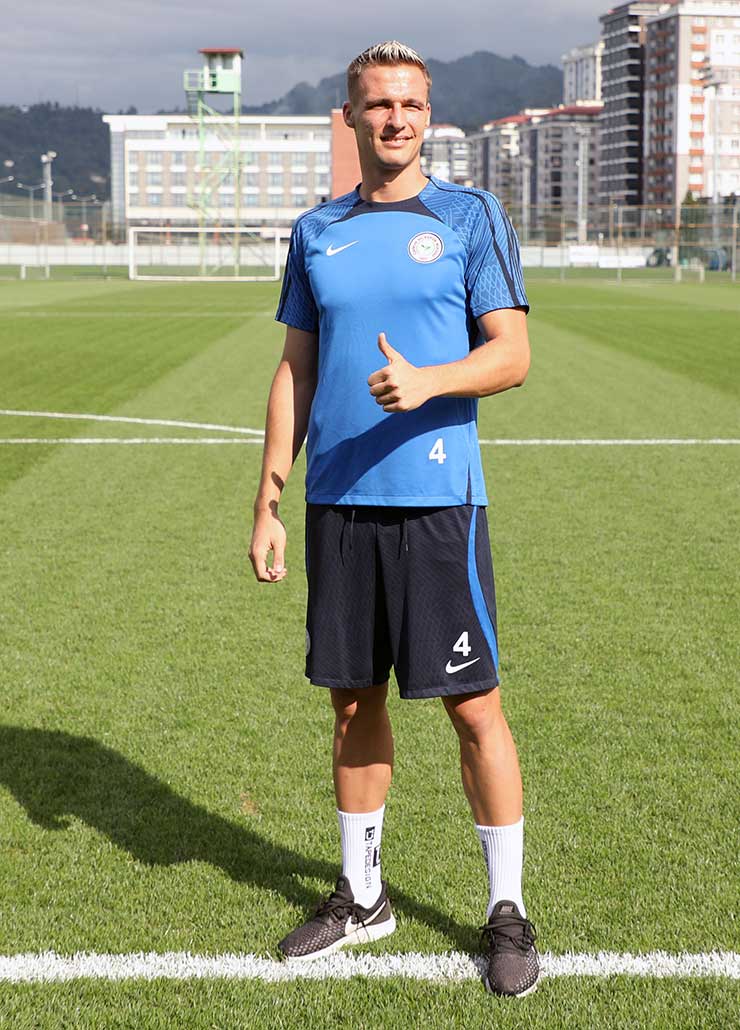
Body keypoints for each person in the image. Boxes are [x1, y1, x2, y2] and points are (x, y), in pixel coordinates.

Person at [249, 40, 538, 997]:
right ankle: (363, 896)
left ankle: (507, 910)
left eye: (410, 104)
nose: (395, 119)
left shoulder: (470, 216)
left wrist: (429, 381)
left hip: (438, 503)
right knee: (351, 701)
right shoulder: (316, 230)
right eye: (378, 104)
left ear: (429, 114)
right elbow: (294, 370)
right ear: (351, 117)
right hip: (337, 502)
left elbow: (511, 354)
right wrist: (269, 501)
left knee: (473, 706)